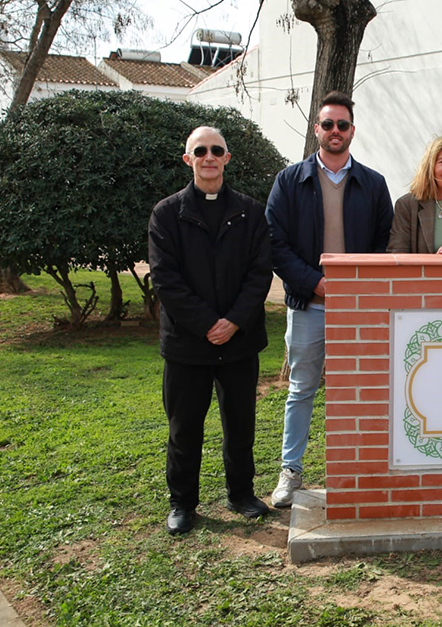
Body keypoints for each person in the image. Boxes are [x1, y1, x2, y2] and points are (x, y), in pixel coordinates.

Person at [265, 91, 393, 508]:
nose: (334, 131)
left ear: (352, 131)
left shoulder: (373, 183)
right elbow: (275, 243)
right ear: (316, 129)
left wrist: (356, 287)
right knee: (301, 388)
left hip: (357, 310)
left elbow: (383, 245)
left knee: (357, 390)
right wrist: (315, 284)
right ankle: (291, 472)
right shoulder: (290, 180)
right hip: (308, 306)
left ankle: (354, 473)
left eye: (342, 125)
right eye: (327, 124)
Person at [148, 126, 274, 535]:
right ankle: (182, 503)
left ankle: (241, 494)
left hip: (239, 342)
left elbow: (259, 274)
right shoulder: (166, 214)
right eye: (200, 151)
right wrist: (207, 324)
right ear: (188, 159)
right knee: (184, 428)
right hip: (188, 343)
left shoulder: (251, 212)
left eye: (216, 150)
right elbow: (166, 280)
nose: (208, 157)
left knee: (240, 424)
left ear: (227, 158)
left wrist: (233, 321)